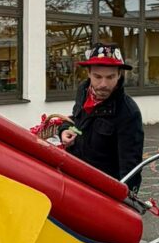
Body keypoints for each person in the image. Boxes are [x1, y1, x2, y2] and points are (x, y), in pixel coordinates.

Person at [61, 43, 146, 190]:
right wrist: (64, 129)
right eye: (97, 77)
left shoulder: (129, 113)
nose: (103, 84)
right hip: (74, 180)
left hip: (101, 191)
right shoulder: (83, 91)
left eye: (110, 77)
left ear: (119, 75)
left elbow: (131, 169)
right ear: (88, 73)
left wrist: (125, 199)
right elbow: (76, 120)